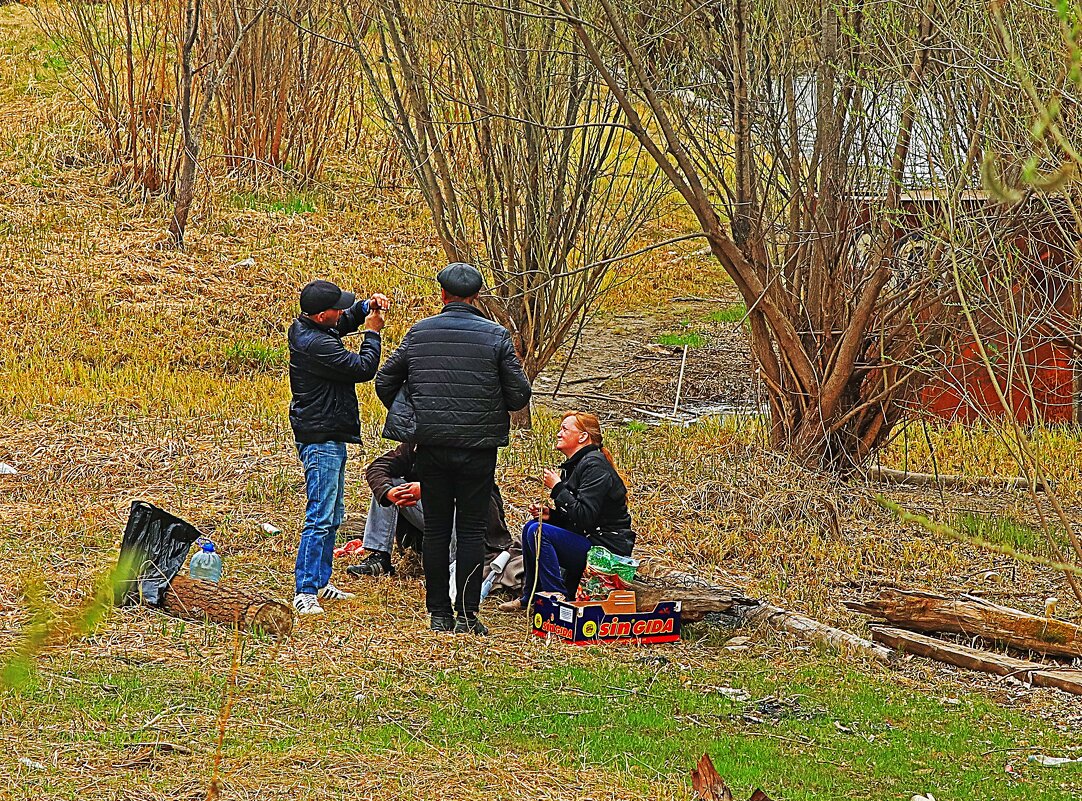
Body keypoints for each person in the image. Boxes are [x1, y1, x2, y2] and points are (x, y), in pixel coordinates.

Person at [375, 262, 531, 635]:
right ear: (476, 296)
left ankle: (438, 614)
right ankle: (467, 613)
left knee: (439, 530)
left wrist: (412, 415)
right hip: (478, 449)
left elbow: (385, 381)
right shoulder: (496, 336)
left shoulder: (420, 333)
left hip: (431, 447)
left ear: (442, 294)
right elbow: (519, 393)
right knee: (472, 530)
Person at [288, 279, 388, 615]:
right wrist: (373, 332)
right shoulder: (316, 345)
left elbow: (345, 321)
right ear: (320, 316)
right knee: (320, 515)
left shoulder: (313, 328)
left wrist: (364, 308)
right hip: (320, 438)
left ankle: (321, 581)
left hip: (330, 432)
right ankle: (304, 590)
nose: (342, 311)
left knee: (333, 515)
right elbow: (363, 368)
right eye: (337, 307)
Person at [499, 410, 635, 613]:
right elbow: (577, 518)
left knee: (539, 531)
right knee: (532, 526)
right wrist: (552, 516)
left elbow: (585, 517)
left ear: (582, 437)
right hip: (590, 539)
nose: (558, 433)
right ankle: (531, 596)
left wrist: (557, 488)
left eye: (565, 429)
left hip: (606, 550)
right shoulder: (576, 465)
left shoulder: (595, 466)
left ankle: (556, 597)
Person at [347, 442, 512, 577]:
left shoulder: (470, 443)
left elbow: (474, 489)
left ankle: (455, 569)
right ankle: (380, 557)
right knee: (389, 486)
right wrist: (389, 492)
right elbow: (378, 467)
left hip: (473, 529)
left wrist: (427, 489)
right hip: (435, 520)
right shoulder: (419, 443)